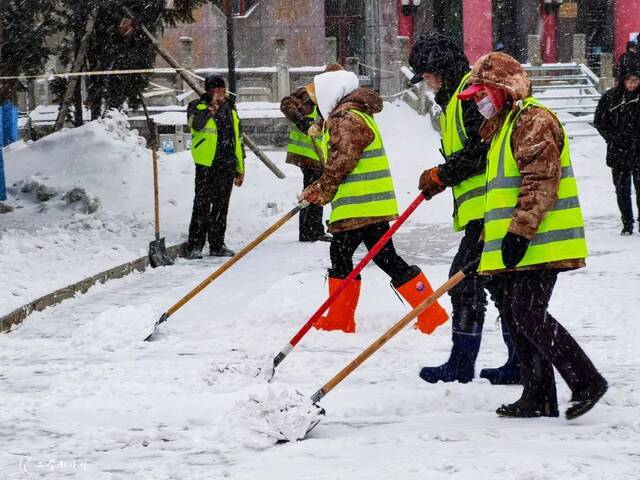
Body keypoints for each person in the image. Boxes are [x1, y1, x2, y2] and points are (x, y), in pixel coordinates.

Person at [458, 52, 607, 419]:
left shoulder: (532, 120)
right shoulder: (506, 125)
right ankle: (538, 395)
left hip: (539, 241)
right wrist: (488, 241)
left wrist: (519, 234)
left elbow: (540, 181)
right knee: (515, 312)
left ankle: (586, 380)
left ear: (502, 89)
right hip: (519, 241)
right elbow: (501, 194)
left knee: (527, 312)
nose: (477, 102)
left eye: (481, 94)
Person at [408, 32, 520, 385]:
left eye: (426, 73)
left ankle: (465, 362)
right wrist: (443, 178)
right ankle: (516, 359)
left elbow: (482, 150)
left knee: (466, 283)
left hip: (492, 207)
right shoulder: (456, 98)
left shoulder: (471, 97)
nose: (425, 81)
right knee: (497, 287)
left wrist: (443, 174)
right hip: (482, 208)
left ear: (440, 68)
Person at [300, 70, 448, 334]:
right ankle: (430, 312)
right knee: (385, 258)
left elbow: (340, 162)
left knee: (343, 257)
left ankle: (340, 319)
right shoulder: (355, 115)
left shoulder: (345, 118)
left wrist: (320, 190)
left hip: (358, 205)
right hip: (370, 205)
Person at [280, 64, 343, 242]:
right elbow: (287, 104)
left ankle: (313, 229)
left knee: (316, 188)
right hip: (306, 152)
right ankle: (310, 231)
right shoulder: (311, 92)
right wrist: (304, 124)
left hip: (318, 153)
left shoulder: (333, 95)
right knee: (313, 188)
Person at [185, 74, 245, 259]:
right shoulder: (197, 107)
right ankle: (195, 245)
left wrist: (240, 167)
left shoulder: (231, 107)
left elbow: (238, 138)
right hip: (206, 164)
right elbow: (196, 125)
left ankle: (217, 245)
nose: (220, 93)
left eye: (222, 89)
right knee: (202, 204)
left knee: (221, 206)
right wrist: (213, 107)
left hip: (226, 164)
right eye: (216, 90)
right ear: (209, 91)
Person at [594, 57, 640, 235]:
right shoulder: (611, 97)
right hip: (618, 151)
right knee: (622, 190)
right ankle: (627, 223)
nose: (632, 84)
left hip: (638, 150)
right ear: (623, 81)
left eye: (636, 80)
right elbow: (599, 121)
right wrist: (612, 138)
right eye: (629, 80)